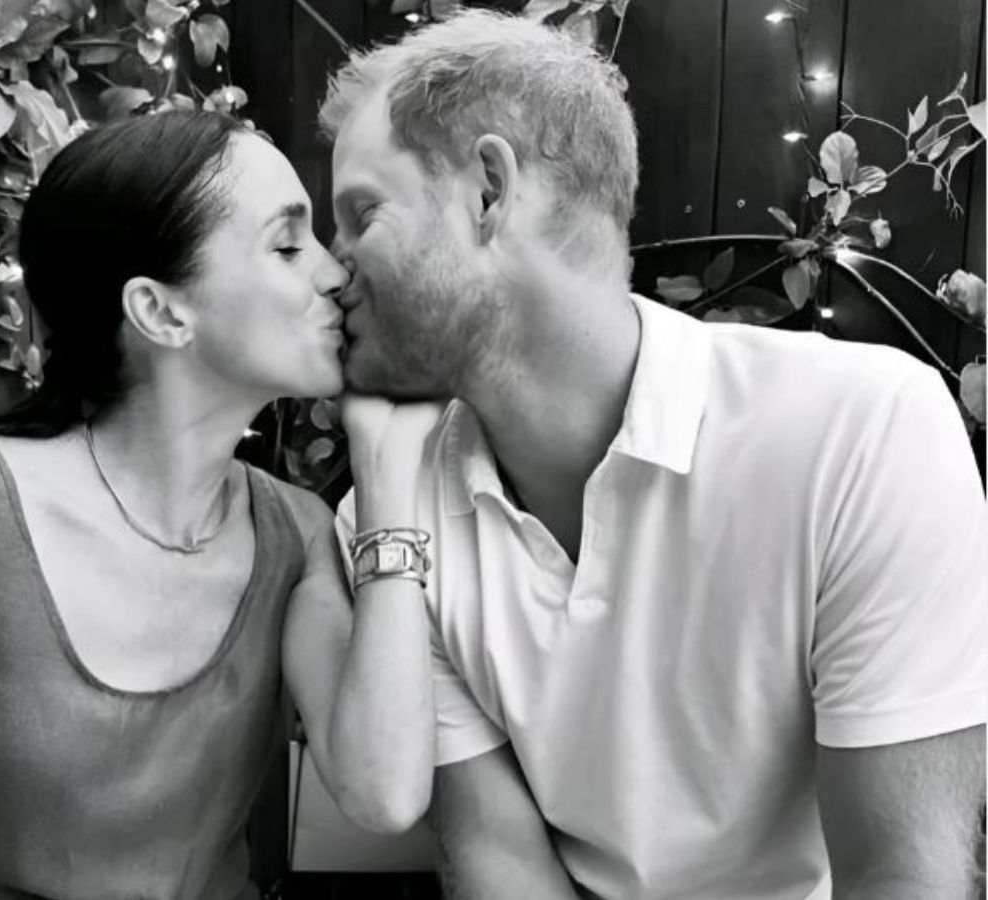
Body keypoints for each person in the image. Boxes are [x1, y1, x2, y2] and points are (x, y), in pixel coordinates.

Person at [321, 10, 987, 899]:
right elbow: (500, 866)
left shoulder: (860, 430)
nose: (329, 267)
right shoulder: (390, 521)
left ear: (488, 191)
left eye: (361, 214)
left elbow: (903, 875)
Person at [0, 109, 438, 900]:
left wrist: (386, 471)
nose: (335, 273)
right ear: (161, 312)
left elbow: (386, 794)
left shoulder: (298, 534)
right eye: (287, 245)